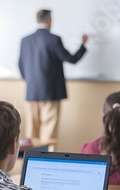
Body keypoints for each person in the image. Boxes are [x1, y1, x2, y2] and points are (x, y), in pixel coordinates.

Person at [18, 9, 88, 142]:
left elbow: (20, 65)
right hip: (51, 93)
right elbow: (72, 59)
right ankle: (47, 160)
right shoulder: (54, 39)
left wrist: (30, 82)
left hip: (32, 92)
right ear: (49, 20)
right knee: (48, 134)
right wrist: (83, 44)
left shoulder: (25, 40)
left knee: (32, 135)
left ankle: (30, 160)